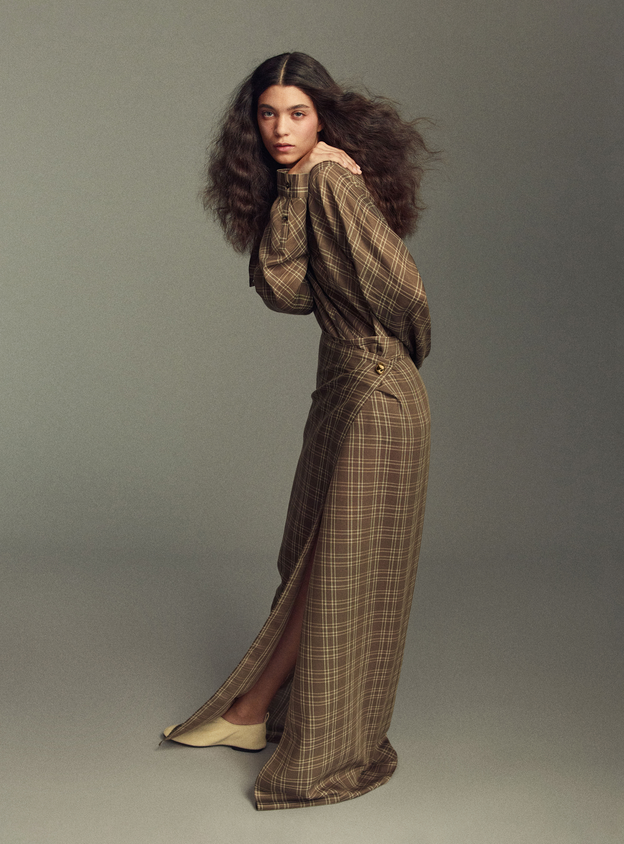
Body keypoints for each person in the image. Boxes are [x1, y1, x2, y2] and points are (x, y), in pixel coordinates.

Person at [161, 51, 435, 811]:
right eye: (268, 114)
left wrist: (394, 361)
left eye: (298, 114)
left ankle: (266, 718)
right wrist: (292, 185)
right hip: (343, 383)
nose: (281, 129)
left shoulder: (332, 184)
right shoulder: (306, 182)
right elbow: (283, 290)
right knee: (315, 560)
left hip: (375, 390)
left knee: (337, 569)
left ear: (324, 117)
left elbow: (406, 290)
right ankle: (254, 711)